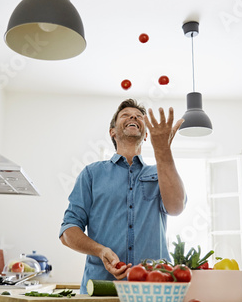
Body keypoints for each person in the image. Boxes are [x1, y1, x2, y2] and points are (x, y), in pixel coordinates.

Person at [59, 99, 186, 293]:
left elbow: (176, 208)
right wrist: (100, 251)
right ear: (112, 132)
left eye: (139, 116)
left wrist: (163, 150)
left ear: (145, 136)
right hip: (102, 288)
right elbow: (68, 231)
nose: (133, 116)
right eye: (125, 115)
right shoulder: (91, 174)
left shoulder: (161, 172)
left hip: (154, 289)